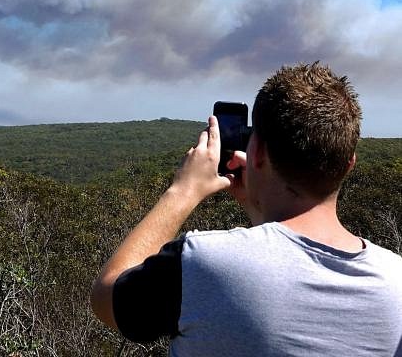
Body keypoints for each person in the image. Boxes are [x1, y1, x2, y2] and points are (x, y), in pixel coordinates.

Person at [91, 62, 402, 356]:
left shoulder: (202, 263)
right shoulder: (395, 281)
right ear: (348, 165)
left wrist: (182, 191)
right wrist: (260, 211)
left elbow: (107, 297)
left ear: (257, 153)